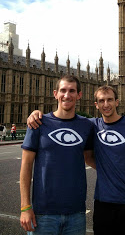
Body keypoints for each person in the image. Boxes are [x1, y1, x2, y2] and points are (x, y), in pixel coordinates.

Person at [28, 85, 125, 235]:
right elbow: (86, 155)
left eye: (109, 100)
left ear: (117, 102)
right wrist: (36, 114)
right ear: (96, 105)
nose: (106, 104)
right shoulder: (91, 125)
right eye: (102, 101)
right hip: (103, 204)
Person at [20, 75, 94, 235]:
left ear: (79, 95)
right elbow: (26, 165)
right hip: (43, 214)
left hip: (76, 213)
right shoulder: (38, 123)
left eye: (72, 91)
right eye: (63, 90)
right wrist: (25, 207)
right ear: (55, 93)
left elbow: (91, 158)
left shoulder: (87, 125)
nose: (67, 95)